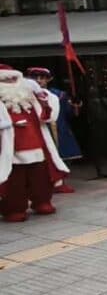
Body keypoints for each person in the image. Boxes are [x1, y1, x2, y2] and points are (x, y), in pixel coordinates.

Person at [0, 65, 69, 222]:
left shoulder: (32, 96)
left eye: (13, 78)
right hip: (11, 149)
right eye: (5, 79)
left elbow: (49, 116)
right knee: (14, 182)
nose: (10, 82)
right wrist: (9, 124)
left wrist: (40, 95)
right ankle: (14, 208)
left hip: (37, 145)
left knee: (41, 176)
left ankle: (42, 201)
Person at [25, 67, 81, 194]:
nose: (39, 81)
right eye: (35, 78)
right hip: (35, 130)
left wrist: (75, 106)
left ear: (48, 79)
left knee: (58, 156)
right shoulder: (25, 95)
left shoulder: (58, 95)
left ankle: (59, 182)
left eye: (42, 78)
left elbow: (68, 113)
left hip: (56, 128)